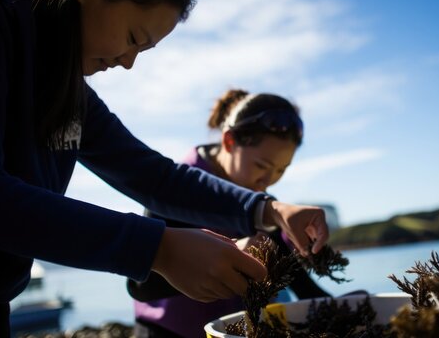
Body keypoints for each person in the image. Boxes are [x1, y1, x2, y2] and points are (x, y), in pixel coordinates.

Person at [0, 0, 329, 335]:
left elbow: (152, 176)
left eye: (142, 51)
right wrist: (157, 248)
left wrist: (268, 210)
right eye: (133, 38)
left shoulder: (69, 94)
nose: (128, 63)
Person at [129, 89, 332, 337]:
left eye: (281, 170)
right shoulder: (178, 190)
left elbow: (294, 276)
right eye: (261, 166)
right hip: (167, 331)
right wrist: (228, 252)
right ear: (229, 142)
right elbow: (141, 286)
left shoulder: (262, 204)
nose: (268, 181)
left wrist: (335, 307)